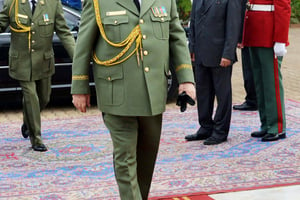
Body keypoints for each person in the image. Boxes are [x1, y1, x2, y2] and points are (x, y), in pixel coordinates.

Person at [71, 0, 196, 199]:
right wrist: (79, 86)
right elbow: (84, 43)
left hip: (153, 93)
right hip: (117, 93)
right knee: (125, 159)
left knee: (146, 160)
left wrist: (186, 79)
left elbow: (176, 37)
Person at [0, 0, 75, 151]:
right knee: (31, 96)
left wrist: (77, 58)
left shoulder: (53, 3)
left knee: (44, 98)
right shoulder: (12, 3)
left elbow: (64, 32)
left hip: (43, 61)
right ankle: (36, 139)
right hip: (21, 62)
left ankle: (28, 120)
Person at [185, 0, 241, 145]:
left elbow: (233, 26)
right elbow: (193, 22)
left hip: (220, 54)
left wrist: (228, 53)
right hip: (200, 53)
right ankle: (205, 127)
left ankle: (220, 131)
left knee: (222, 95)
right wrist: (191, 47)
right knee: (203, 92)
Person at [243, 0, 291, 141]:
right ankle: (266, 124)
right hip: (255, 32)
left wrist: (280, 39)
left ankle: (277, 127)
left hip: (269, 34)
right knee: (260, 83)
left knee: (271, 84)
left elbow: (283, 7)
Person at [233, 0, 257, 111]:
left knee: (250, 68)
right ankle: (253, 99)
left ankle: (253, 100)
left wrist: (239, 36)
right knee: (248, 67)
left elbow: (243, 9)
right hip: (247, 30)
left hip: (251, 30)